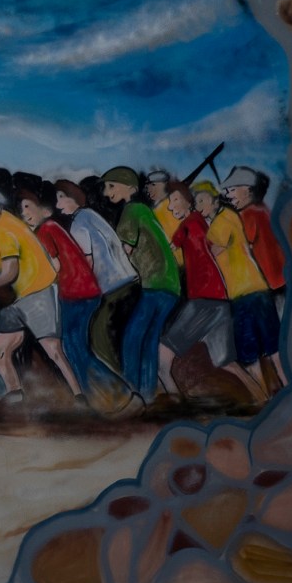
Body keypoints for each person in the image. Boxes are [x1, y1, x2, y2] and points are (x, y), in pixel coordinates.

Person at [0, 184, 84, 405]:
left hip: (38, 292)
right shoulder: (0, 222)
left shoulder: (5, 230)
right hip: (17, 296)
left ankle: (79, 396)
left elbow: (9, 273)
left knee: (53, 350)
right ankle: (14, 392)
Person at [159, 181, 260, 398]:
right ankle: (260, 396)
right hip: (219, 302)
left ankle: (176, 405)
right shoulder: (204, 225)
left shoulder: (188, 225)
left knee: (162, 359)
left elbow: (169, 252)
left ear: (189, 201)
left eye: (175, 200)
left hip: (203, 301)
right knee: (225, 362)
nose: (170, 206)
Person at [194, 181, 284, 399]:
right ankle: (282, 390)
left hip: (243, 293)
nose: (198, 206)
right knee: (272, 347)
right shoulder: (230, 216)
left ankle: (264, 396)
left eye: (202, 200)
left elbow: (214, 251)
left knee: (251, 351)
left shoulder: (221, 221)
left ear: (214, 200)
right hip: (256, 289)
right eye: (196, 203)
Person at [102, 166, 180, 404]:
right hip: (170, 284)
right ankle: (147, 395)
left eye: (111, 186)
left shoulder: (131, 209)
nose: (106, 192)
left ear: (130, 188)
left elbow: (123, 252)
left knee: (132, 337)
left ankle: (131, 393)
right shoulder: (145, 210)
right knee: (148, 340)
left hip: (154, 282)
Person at [20, 184, 102, 395]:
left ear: (46, 211)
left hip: (74, 293)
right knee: (75, 347)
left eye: (27, 207)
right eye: (21, 209)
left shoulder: (45, 230)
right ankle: (92, 393)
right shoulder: (54, 227)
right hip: (87, 291)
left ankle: (113, 392)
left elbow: (53, 267)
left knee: (74, 347)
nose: (23, 213)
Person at [55, 179, 138, 385]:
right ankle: (127, 386)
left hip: (111, 287)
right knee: (118, 338)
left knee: (100, 342)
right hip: (129, 281)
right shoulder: (91, 215)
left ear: (72, 197)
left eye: (61, 198)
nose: (57, 204)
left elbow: (87, 263)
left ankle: (121, 390)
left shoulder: (78, 223)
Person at [222, 165, 287, 315]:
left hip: (267, 280)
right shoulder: (262, 209)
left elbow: (241, 244)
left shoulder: (249, 214)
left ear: (247, 191)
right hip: (279, 278)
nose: (228, 195)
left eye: (232, 190)